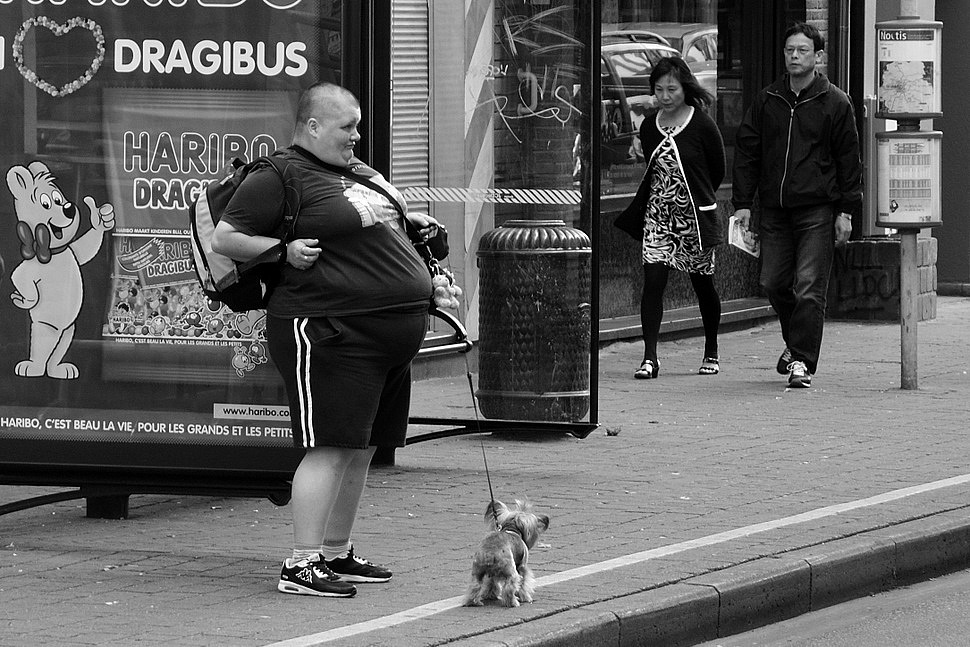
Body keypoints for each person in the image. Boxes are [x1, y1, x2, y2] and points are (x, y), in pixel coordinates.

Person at [211, 83, 439, 597]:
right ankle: (301, 565)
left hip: (385, 333)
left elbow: (372, 231)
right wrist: (282, 249)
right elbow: (225, 237)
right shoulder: (281, 173)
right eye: (348, 126)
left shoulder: (357, 173)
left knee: (359, 448)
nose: (357, 136)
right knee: (330, 447)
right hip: (329, 330)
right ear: (313, 126)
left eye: (357, 125)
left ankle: (336, 552)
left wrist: (414, 230)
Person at [731, 22, 862, 388]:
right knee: (773, 283)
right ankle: (795, 342)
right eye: (789, 50)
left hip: (817, 208)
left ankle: (802, 360)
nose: (793, 56)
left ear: (818, 56)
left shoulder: (835, 102)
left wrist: (847, 211)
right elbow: (748, 152)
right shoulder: (768, 99)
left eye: (802, 50)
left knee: (808, 286)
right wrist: (742, 203)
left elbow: (850, 162)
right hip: (774, 208)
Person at [615, 56, 726, 380]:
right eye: (659, 89)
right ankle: (650, 357)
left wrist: (697, 196)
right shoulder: (649, 126)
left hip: (694, 218)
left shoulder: (703, 124)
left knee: (703, 284)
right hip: (658, 216)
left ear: (685, 88)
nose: (665, 95)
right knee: (653, 282)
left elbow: (716, 170)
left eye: (672, 89)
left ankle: (711, 350)